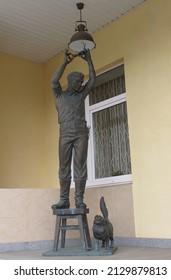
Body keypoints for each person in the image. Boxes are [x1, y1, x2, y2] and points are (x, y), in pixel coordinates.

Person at [51, 49, 96, 209]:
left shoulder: (81, 94)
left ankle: (78, 199)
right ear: (70, 82)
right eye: (78, 81)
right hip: (65, 133)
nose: (81, 83)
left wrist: (89, 60)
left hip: (81, 133)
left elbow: (92, 80)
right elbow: (54, 81)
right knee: (63, 167)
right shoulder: (59, 95)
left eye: (81, 81)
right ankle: (64, 200)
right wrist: (65, 62)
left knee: (80, 166)